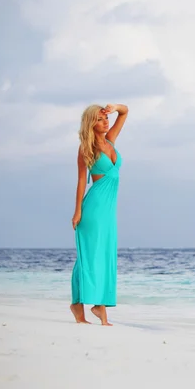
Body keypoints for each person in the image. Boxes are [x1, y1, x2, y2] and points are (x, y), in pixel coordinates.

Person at [70, 103, 128, 326]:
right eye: (100, 119)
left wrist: (113, 108)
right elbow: (81, 181)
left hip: (108, 210)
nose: (106, 122)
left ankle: (96, 306)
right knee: (89, 255)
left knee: (104, 254)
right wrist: (77, 212)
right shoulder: (87, 148)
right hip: (93, 208)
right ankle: (83, 305)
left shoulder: (110, 140)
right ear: (91, 124)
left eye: (106, 118)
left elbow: (125, 112)